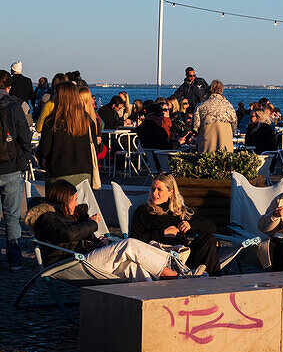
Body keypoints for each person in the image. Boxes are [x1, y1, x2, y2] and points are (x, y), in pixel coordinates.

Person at [26, 179, 186, 279]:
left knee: (132, 267)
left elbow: (79, 239)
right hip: (67, 264)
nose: (76, 204)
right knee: (129, 244)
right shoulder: (46, 217)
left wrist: (97, 242)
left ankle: (153, 301)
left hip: (84, 257)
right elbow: (68, 234)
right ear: (63, 199)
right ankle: (174, 275)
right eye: (74, 200)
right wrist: (92, 224)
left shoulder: (71, 215)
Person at [130, 173, 222, 275]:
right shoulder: (144, 211)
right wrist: (163, 233)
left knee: (208, 239)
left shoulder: (179, 212)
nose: (154, 193)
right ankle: (212, 279)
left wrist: (190, 225)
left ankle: (214, 279)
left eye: (159, 189)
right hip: (161, 260)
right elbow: (133, 239)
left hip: (184, 259)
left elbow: (212, 227)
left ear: (170, 192)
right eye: (153, 189)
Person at [0, 69, 31, 270]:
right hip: (11, 166)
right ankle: (14, 260)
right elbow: (24, 135)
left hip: (10, 164)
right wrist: (24, 159)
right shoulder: (14, 105)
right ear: (9, 86)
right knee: (12, 217)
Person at [38, 82, 96, 186]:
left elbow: (44, 149)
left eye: (55, 94)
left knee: (57, 202)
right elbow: (94, 146)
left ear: (61, 97)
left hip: (58, 172)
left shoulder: (52, 121)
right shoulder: (87, 120)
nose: (53, 97)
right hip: (84, 172)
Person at [192, 81, 238, 153]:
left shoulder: (201, 106)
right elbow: (234, 126)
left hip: (207, 139)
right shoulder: (229, 106)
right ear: (222, 91)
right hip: (225, 138)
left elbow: (195, 127)